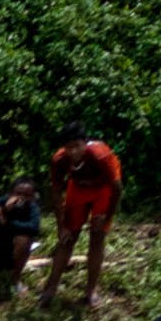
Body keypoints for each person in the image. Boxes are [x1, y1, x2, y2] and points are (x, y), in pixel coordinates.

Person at [38, 124, 122, 309]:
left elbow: (116, 187)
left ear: (85, 143)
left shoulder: (101, 156)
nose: (73, 151)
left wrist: (107, 218)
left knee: (97, 237)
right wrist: (62, 225)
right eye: (69, 147)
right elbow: (56, 192)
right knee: (67, 239)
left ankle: (91, 290)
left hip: (103, 191)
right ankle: (50, 287)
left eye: (77, 146)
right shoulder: (60, 160)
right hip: (78, 189)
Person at [0, 178, 41, 298]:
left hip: (16, 253)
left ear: (32, 196)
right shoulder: (2, 203)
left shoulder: (32, 208)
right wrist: (5, 210)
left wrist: (9, 223)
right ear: (11, 194)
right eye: (18, 193)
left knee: (24, 239)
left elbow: (33, 228)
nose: (21, 198)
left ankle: (16, 280)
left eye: (26, 195)